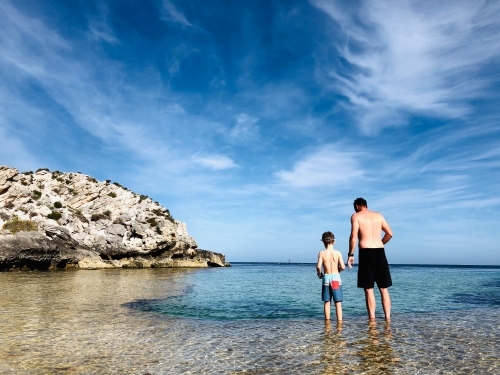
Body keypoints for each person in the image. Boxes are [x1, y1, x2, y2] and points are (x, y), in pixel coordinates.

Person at [348, 198, 393, 321]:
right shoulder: (378, 216)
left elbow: (353, 236)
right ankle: (388, 318)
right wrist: (381, 243)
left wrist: (350, 255)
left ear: (357, 206)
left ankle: (372, 320)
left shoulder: (356, 216)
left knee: (368, 289)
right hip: (379, 251)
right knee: (384, 288)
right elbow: (390, 233)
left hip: (366, 252)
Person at [316, 231, 346, 322]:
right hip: (336, 279)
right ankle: (339, 322)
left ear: (323, 242)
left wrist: (319, 274)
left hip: (326, 278)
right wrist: (338, 271)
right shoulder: (338, 253)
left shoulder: (321, 253)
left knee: (327, 301)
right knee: (338, 302)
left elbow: (318, 266)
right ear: (334, 241)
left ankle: (327, 322)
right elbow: (343, 267)